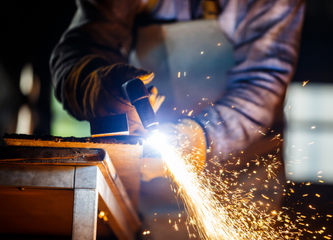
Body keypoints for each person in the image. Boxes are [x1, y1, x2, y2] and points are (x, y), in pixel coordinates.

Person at [51, 0, 305, 238]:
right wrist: (101, 90)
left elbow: (262, 81)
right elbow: (78, 52)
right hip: (145, 193)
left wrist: (197, 138)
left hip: (242, 187)